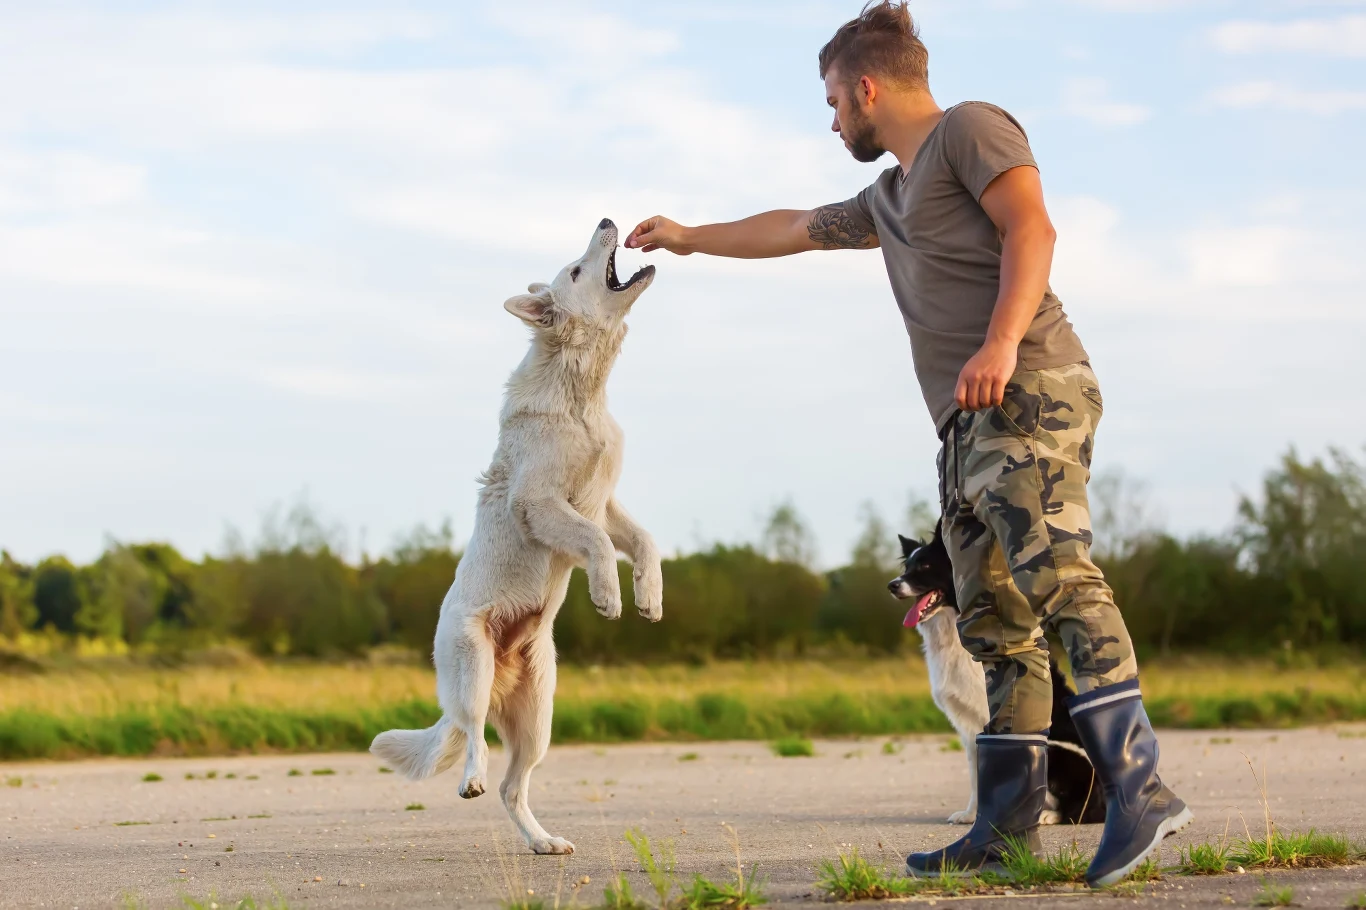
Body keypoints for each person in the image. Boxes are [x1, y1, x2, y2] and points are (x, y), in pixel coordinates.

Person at [624, 0, 1191, 887]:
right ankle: (1004, 826)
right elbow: (793, 227)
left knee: (1056, 576)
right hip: (966, 424)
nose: (832, 120)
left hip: (1029, 386)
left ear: (865, 86)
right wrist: (692, 237)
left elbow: (1032, 227)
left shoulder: (971, 129)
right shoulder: (888, 196)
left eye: (832, 104)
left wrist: (1000, 343)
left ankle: (1139, 786)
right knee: (994, 621)